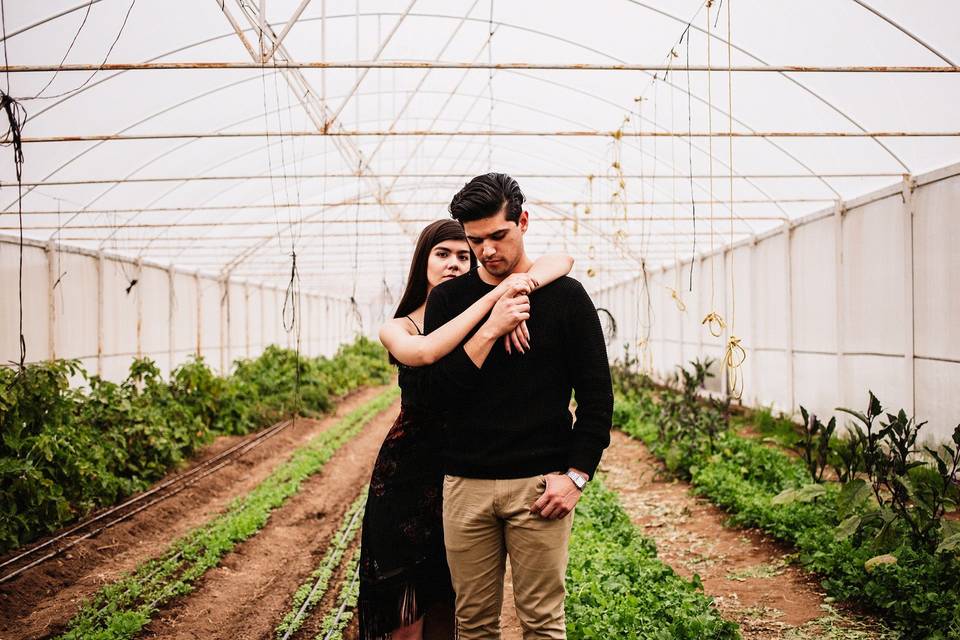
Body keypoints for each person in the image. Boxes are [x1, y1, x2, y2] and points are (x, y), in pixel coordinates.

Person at [358, 219, 574, 640]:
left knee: (454, 608)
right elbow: (425, 351)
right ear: (422, 260)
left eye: (464, 254)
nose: (455, 264)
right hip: (411, 474)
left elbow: (561, 259)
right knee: (405, 609)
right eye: (443, 254)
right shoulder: (400, 326)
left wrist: (514, 287)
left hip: (465, 472)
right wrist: (499, 302)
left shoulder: (478, 301)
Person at [423, 173, 613, 640]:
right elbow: (437, 395)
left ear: (523, 221)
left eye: (498, 236)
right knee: (474, 625)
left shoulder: (566, 297)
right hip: (465, 485)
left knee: (543, 624)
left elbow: (597, 397)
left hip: (539, 488)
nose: (487, 251)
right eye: (475, 240)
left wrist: (576, 476)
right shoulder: (449, 300)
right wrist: (491, 325)